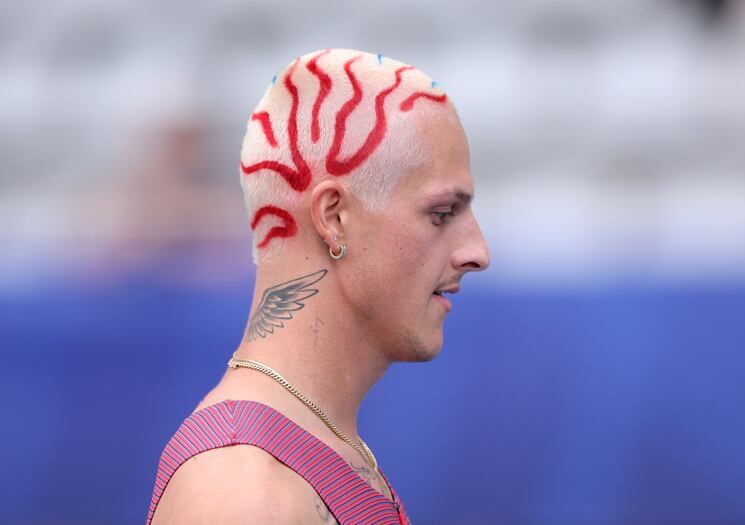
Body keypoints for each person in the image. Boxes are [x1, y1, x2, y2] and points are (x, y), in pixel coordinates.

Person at [145, 48, 490, 525]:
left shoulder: (305, 447)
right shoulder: (248, 488)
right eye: (441, 214)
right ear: (334, 218)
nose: (477, 252)